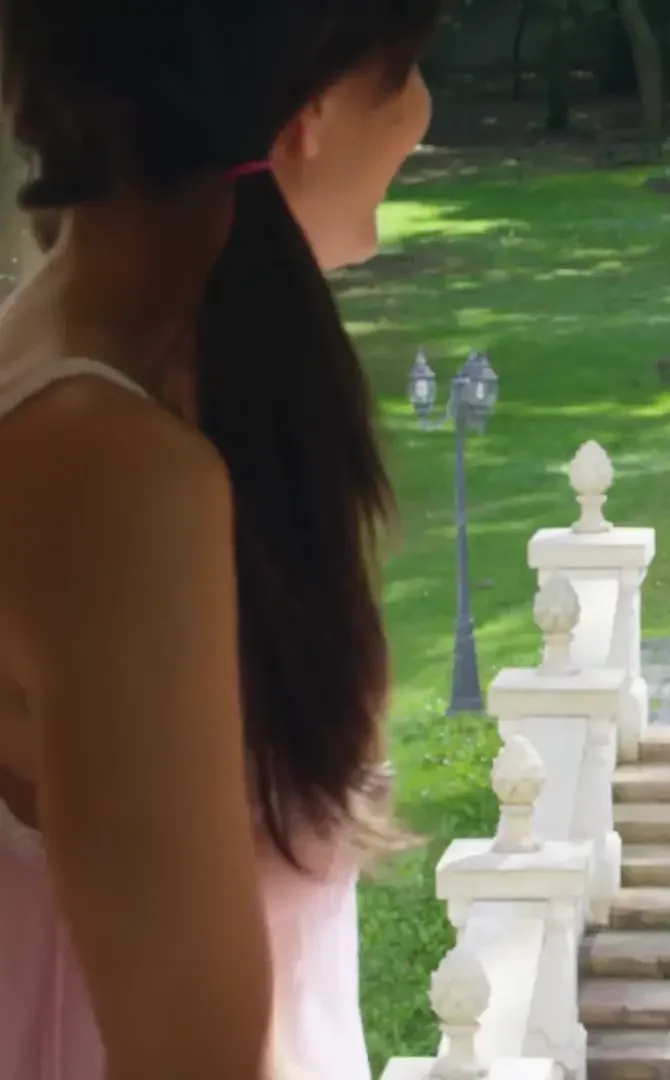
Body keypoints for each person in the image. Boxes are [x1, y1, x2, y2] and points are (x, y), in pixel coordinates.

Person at [0, 3, 440, 1078]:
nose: (423, 116)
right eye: (408, 70)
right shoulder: (106, 472)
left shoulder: (91, 401)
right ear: (310, 116)